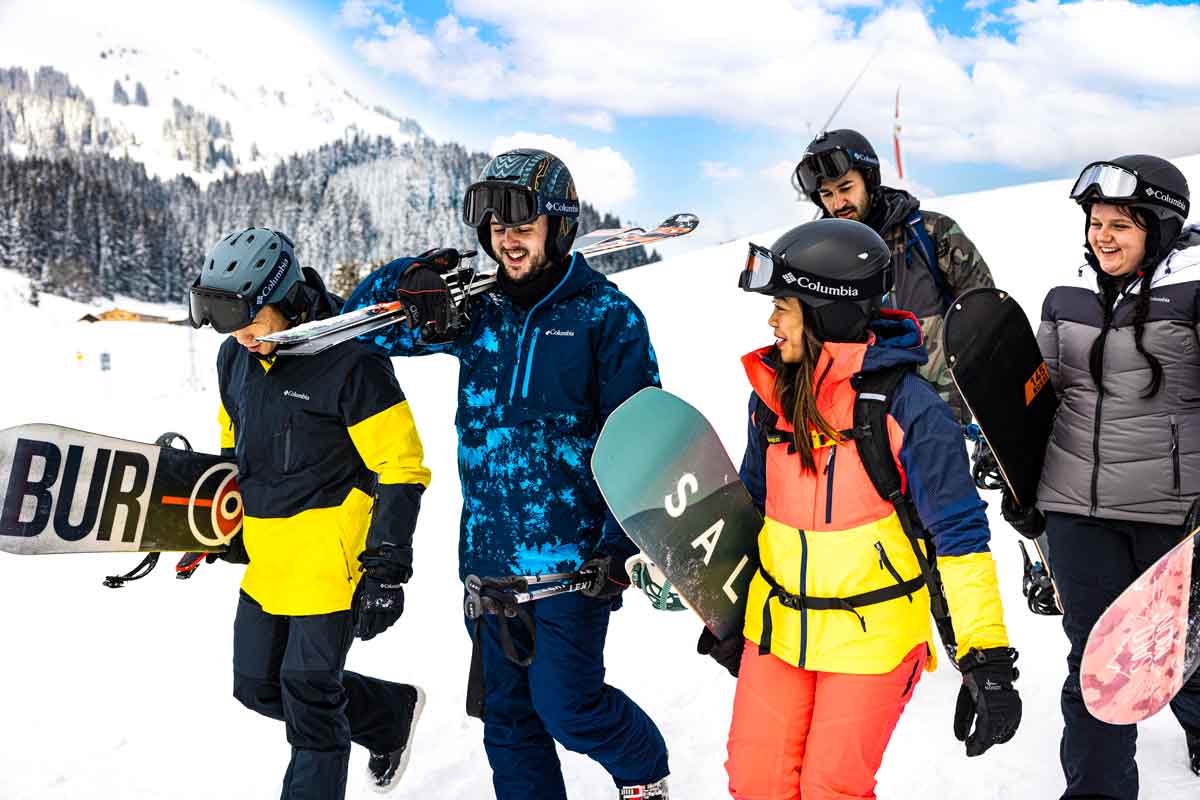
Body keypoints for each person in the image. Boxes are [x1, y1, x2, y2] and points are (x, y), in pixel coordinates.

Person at [344, 149, 671, 800]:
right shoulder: (477, 315)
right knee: (508, 723)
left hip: (573, 568)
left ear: (558, 227)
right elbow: (366, 328)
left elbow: (640, 439)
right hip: (487, 566)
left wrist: (618, 547)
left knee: (569, 708)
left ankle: (643, 773)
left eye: (521, 226)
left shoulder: (606, 316)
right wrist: (409, 277)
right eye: (495, 228)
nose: (506, 240)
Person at [713, 218, 1020, 800]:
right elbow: (750, 511)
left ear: (825, 311)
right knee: (756, 785)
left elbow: (959, 537)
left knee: (833, 788)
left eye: (784, 306)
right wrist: (723, 613)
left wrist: (987, 657)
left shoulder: (909, 410)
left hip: (873, 636)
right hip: (778, 628)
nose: (772, 322)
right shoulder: (771, 404)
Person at [188, 227, 432, 799]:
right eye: (227, 325)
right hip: (270, 560)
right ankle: (388, 713)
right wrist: (223, 522)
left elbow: (402, 468)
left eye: (249, 319)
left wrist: (387, 567)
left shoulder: (353, 363)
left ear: (286, 295)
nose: (239, 336)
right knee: (256, 686)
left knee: (310, 701)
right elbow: (233, 441)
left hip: (333, 563)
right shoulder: (236, 358)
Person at [1002, 154, 1200, 797]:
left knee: (1182, 658)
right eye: (1095, 221)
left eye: (1121, 223)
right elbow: (1044, 391)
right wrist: (1019, 475)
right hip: (1077, 509)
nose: (1102, 235)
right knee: (1095, 663)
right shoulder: (1066, 293)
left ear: (1161, 227)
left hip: (1172, 515)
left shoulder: (1195, 290)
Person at [794, 129, 995, 423]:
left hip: (938, 415)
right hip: (862, 426)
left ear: (869, 180)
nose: (838, 203)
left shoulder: (932, 233)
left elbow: (986, 317)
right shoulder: (822, 261)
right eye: (827, 194)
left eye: (846, 187)